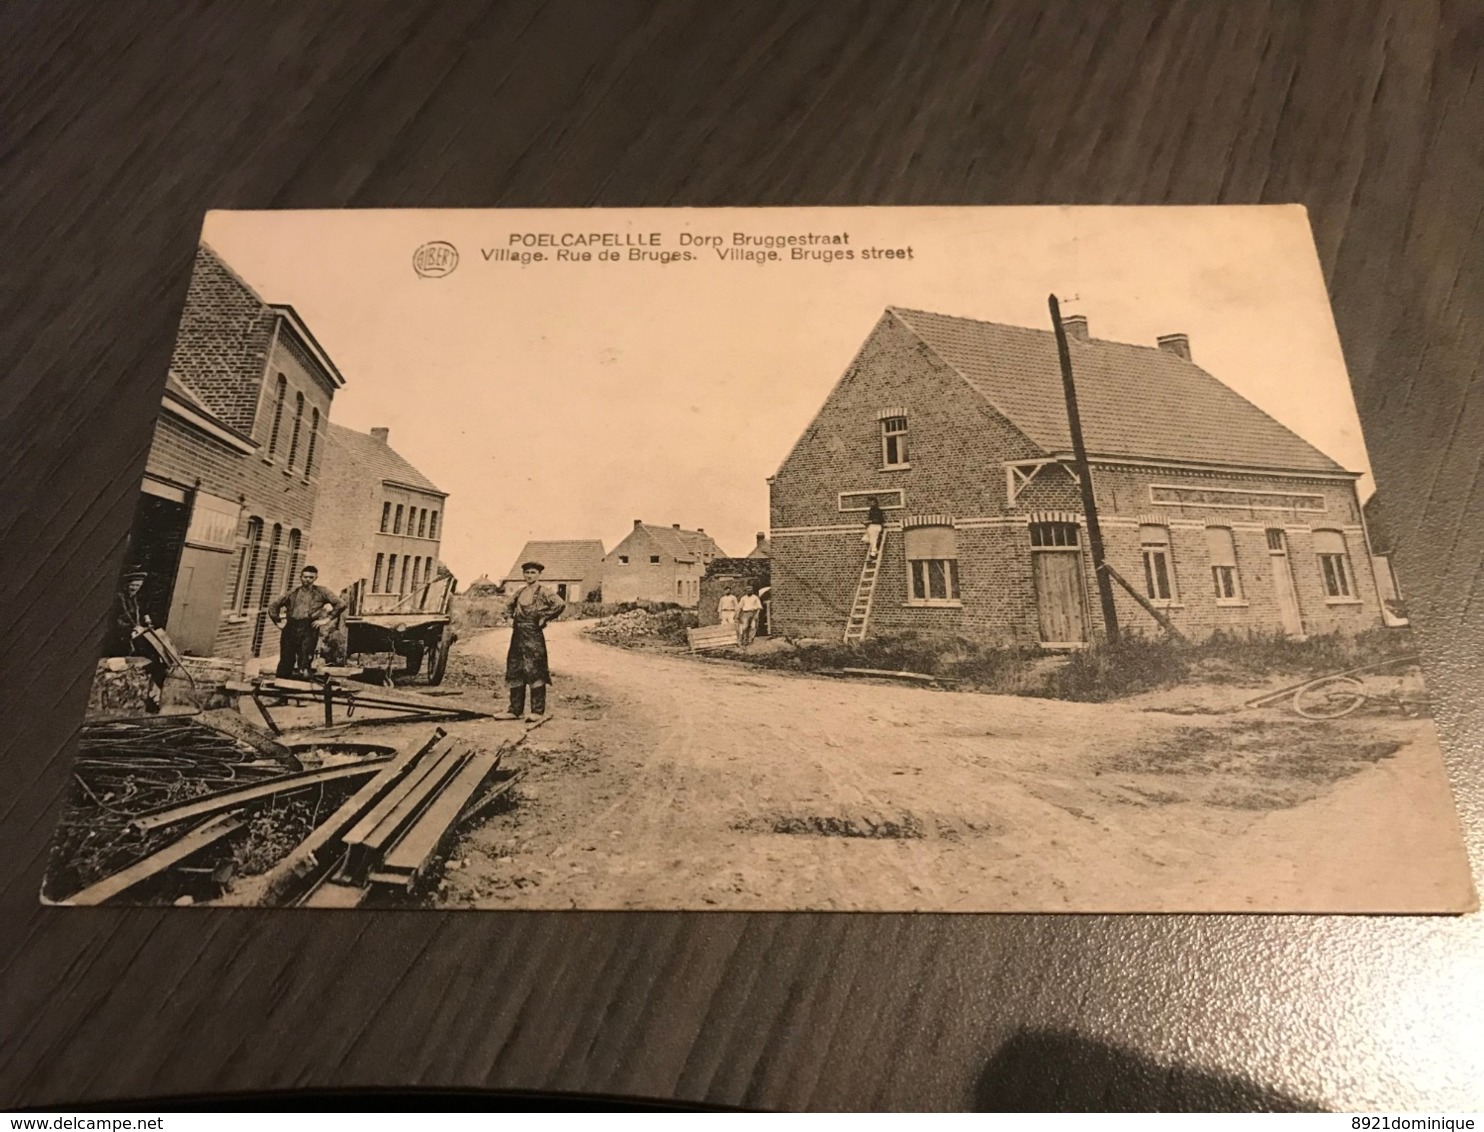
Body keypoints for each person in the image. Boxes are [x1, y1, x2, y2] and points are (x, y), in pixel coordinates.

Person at [498, 560, 565, 721]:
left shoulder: (544, 592)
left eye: (533, 573)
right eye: (527, 573)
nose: (529, 576)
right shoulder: (520, 592)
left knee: (535, 670)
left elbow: (560, 604)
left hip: (534, 635)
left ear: (539, 575)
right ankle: (514, 710)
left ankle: (537, 711)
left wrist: (545, 617)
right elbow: (507, 607)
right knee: (516, 669)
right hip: (518, 635)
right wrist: (508, 618)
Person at [268, 566, 346, 679]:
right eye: (305, 577)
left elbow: (341, 604)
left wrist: (326, 620)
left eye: (311, 577)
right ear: (300, 577)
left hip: (309, 628)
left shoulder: (321, 592)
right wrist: (278, 622)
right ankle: (281, 690)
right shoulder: (293, 592)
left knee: (304, 660)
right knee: (286, 660)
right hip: (291, 628)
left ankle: (301, 690)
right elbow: (273, 606)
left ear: (315, 578)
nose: (307, 580)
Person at [111, 569, 168, 713]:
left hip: (132, 634)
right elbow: (118, 619)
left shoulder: (134, 598)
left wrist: (145, 620)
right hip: (120, 637)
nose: (134, 589)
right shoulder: (120, 598)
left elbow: (139, 613)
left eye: (137, 586)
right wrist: (133, 627)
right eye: (132, 586)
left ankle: (151, 696)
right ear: (127, 585)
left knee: (152, 660)